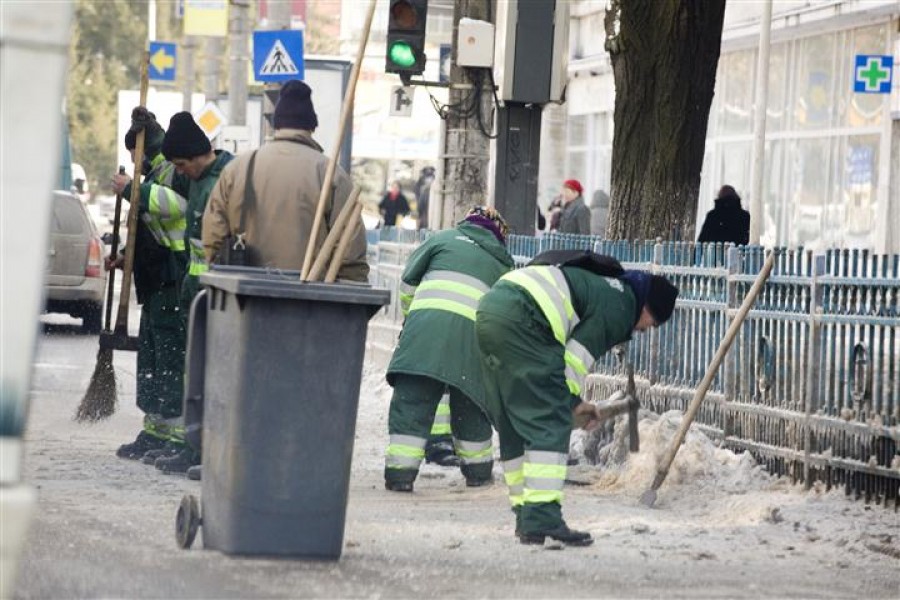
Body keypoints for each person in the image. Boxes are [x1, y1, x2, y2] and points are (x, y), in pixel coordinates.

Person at [474, 253, 678, 546]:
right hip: (525, 315)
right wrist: (572, 404)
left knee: (515, 419)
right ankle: (542, 516)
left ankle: (526, 515)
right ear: (646, 306)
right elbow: (573, 360)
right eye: (654, 322)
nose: (647, 330)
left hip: (492, 307)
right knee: (551, 417)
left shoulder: (606, 288)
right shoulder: (620, 306)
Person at [384, 206, 515, 493]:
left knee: (412, 400)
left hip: (424, 333)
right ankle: (479, 472)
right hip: (473, 343)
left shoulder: (441, 239)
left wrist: (413, 317)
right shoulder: (504, 264)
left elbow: (407, 281)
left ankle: (400, 476)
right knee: (472, 404)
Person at [204, 79, 368, 281]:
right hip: (309, 298)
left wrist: (218, 271)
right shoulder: (331, 174)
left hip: (244, 294)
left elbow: (214, 234)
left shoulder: (238, 168)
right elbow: (349, 248)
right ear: (312, 126)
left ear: (276, 124)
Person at [149, 111, 233, 475]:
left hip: (218, 297)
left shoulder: (227, 179)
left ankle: (208, 453)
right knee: (193, 375)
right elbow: (158, 175)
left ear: (198, 155)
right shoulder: (194, 177)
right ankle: (191, 446)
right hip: (196, 296)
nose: (180, 172)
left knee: (213, 377)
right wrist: (151, 132)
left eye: (183, 164)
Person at [109, 107, 190, 464]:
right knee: (153, 360)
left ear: (143, 150)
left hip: (174, 279)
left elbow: (175, 208)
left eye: (133, 156)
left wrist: (133, 190)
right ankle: (155, 428)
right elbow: (148, 231)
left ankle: (176, 433)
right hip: (155, 280)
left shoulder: (171, 171)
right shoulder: (155, 173)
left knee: (170, 360)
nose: (133, 163)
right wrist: (123, 256)